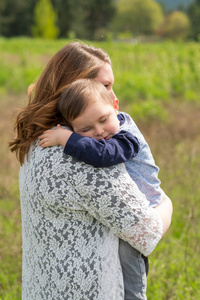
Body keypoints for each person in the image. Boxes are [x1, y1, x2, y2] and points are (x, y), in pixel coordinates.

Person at [9, 42, 173, 300]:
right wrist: (166, 204)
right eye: (105, 86)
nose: (113, 95)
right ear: (75, 89)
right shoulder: (84, 155)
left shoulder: (38, 141)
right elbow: (147, 233)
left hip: (43, 288)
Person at [38, 78, 163, 300]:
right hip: (126, 215)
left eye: (104, 120)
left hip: (147, 209)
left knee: (130, 269)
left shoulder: (126, 138)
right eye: (85, 129)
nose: (99, 132)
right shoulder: (103, 129)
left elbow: (102, 155)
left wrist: (67, 138)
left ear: (115, 107)